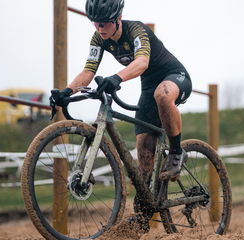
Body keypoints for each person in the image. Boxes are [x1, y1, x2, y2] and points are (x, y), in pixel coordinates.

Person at [51, 0, 192, 189]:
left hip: (174, 75)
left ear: (118, 18)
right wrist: (67, 91)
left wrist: (116, 78)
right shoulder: (98, 38)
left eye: (105, 22)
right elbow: (88, 71)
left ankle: (176, 152)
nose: (100, 28)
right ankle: (145, 202)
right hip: (149, 86)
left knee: (163, 95)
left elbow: (142, 62)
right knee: (143, 145)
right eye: (95, 22)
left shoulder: (136, 30)